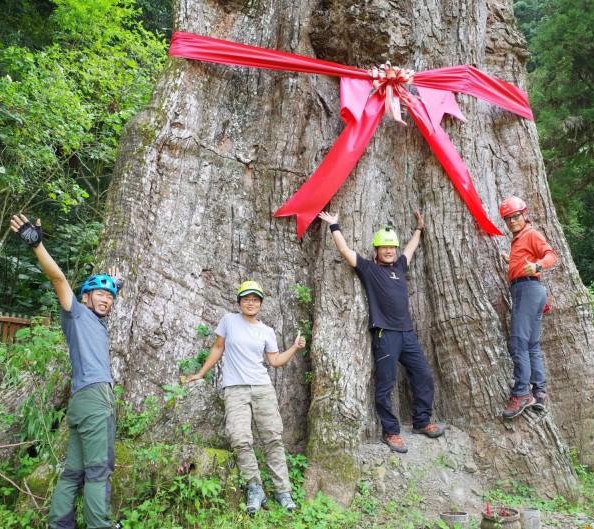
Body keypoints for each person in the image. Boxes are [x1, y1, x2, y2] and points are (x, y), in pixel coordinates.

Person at [10, 214, 122, 529]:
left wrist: (116, 285)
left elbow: (107, 302)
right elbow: (59, 279)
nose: (107, 299)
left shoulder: (97, 323)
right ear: (84, 297)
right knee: (99, 469)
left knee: (74, 470)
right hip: (96, 398)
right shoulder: (75, 314)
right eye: (100, 294)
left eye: (110, 297)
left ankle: (59, 523)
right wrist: (37, 245)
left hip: (80, 402)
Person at [318, 210, 444, 454]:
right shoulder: (368, 269)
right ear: (376, 249)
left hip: (407, 334)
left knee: (424, 375)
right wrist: (335, 225)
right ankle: (391, 431)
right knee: (386, 385)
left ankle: (421, 421)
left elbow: (411, 249)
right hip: (385, 334)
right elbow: (345, 252)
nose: (389, 251)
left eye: (392, 247)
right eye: (384, 247)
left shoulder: (399, 266)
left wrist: (419, 228)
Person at [180, 281, 306, 514]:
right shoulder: (229, 321)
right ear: (239, 302)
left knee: (273, 439)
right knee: (239, 437)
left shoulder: (266, 331)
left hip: (263, 389)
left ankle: (283, 492)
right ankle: (254, 488)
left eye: (255, 299)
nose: (251, 302)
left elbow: (275, 361)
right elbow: (218, 348)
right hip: (235, 389)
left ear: (260, 304)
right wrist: (200, 373)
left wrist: (295, 348)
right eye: (246, 299)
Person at [498, 196, 558, 419]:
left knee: (518, 343)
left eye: (515, 216)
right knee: (531, 344)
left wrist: (538, 265)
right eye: (507, 218)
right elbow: (525, 261)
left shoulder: (531, 234)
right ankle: (539, 392)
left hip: (527, 290)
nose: (512, 221)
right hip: (530, 290)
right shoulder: (519, 239)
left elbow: (551, 255)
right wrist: (511, 261)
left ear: (525, 215)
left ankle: (522, 393)